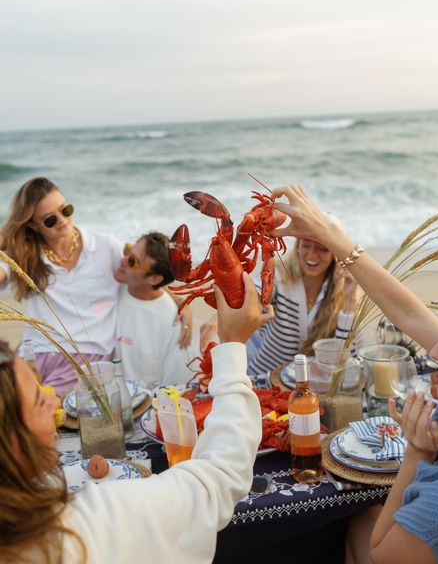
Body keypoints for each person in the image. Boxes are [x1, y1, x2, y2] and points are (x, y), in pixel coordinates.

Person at [269, 185, 438, 564]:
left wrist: (417, 454)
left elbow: (380, 554)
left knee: (356, 520)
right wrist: (333, 238)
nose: (435, 353)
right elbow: (411, 315)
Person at [0, 272, 264, 564]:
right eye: (39, 401)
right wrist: (232, 347)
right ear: (11, 442)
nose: (54, 401)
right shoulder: (86, 525)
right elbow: (218, 479)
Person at [0, 177, 192, 396]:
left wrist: (179, 299)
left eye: (66, 209)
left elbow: (143, 271)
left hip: (86, 359)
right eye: (50, 220)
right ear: (33, 224)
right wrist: (8, 234)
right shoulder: (22, 254)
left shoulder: (103, 246)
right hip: (34, 354)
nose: (63, 220)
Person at [200, 213, 359, 379]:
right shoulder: (279, 275)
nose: (312, 255)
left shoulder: (346, 291)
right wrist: (218, 317)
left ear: (335, 254)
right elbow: (254, 291)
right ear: (298, 244)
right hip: (259, 380)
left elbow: (349, 362)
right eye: (306, 245)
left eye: (322, 248)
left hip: (310, 391)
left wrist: (350, 301)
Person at [113, 231, 195, 387]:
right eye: (128, 251)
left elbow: (177, 386)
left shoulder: (173, 323)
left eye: (132, 261)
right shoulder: (112, 286)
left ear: (155, 279)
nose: (122, 260)